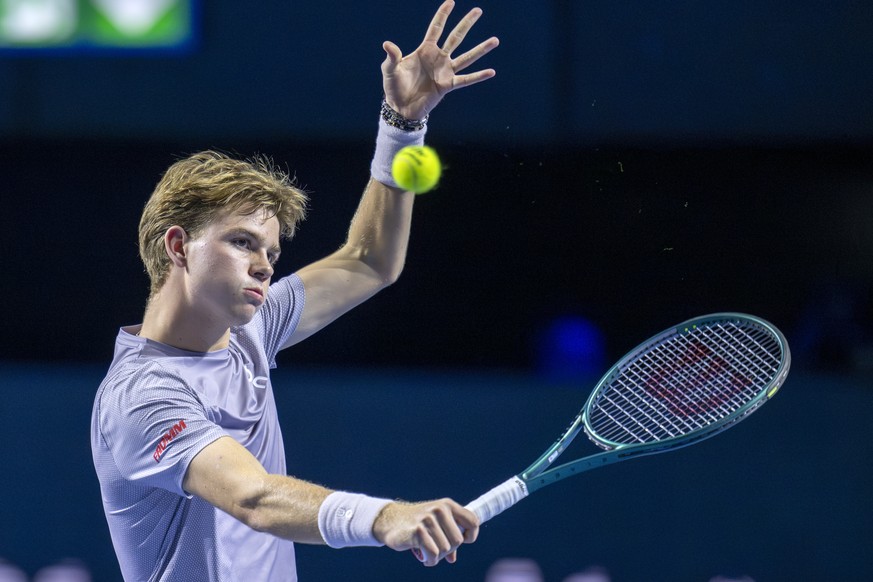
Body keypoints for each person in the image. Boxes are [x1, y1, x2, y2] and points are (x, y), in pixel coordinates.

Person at [89, 2, 499, 580]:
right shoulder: (141, 397)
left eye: (271, 253)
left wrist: (402, 124)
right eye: (241, 243)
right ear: (177, 246)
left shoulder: (251, 329)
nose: (263, 266)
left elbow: (368, 261)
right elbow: (253, 497)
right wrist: (385, 518)